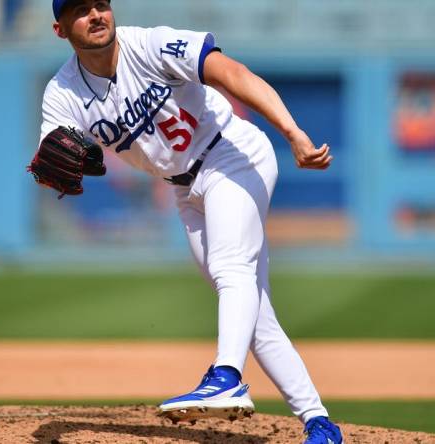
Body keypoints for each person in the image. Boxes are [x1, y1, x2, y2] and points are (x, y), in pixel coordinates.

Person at [41, 1, 343, 443]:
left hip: (233, 154)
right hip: (183, 187)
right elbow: (52, 147)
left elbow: (234, 74)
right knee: (253, 316)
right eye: (81, 10)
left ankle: (226, 376)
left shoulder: (150, 44)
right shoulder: (63, 92)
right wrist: (56, 155)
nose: (96, 14)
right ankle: (320, 424)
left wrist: (293, 133)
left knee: (229, 267)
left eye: (100, 4)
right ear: (60, 28)